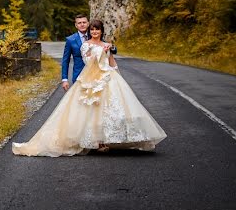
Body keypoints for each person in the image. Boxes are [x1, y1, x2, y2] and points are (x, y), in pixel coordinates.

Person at [13, 19, 166, 156]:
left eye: (97, 29)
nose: (94, 32)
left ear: (101, 31)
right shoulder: (86, 45)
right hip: (91, 79)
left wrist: (114, 67)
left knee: (110, 110)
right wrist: (99, 54)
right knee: (91, 110)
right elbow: (88, 62)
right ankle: (96, 141)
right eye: (92, 29)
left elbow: (111, 62)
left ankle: (107, 139)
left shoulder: (106, 44)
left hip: (108, 77)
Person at [61, 14, 90, 90]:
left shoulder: (95, 35)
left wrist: (112, 47)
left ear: (88, 23)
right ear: (76, 25)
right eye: (79, 23)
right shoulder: (70, 40)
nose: (82, 24)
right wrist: (64, 79)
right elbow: (65, 60)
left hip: (94, 75)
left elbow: (106, 46)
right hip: (78, 76)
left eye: (84, 22)